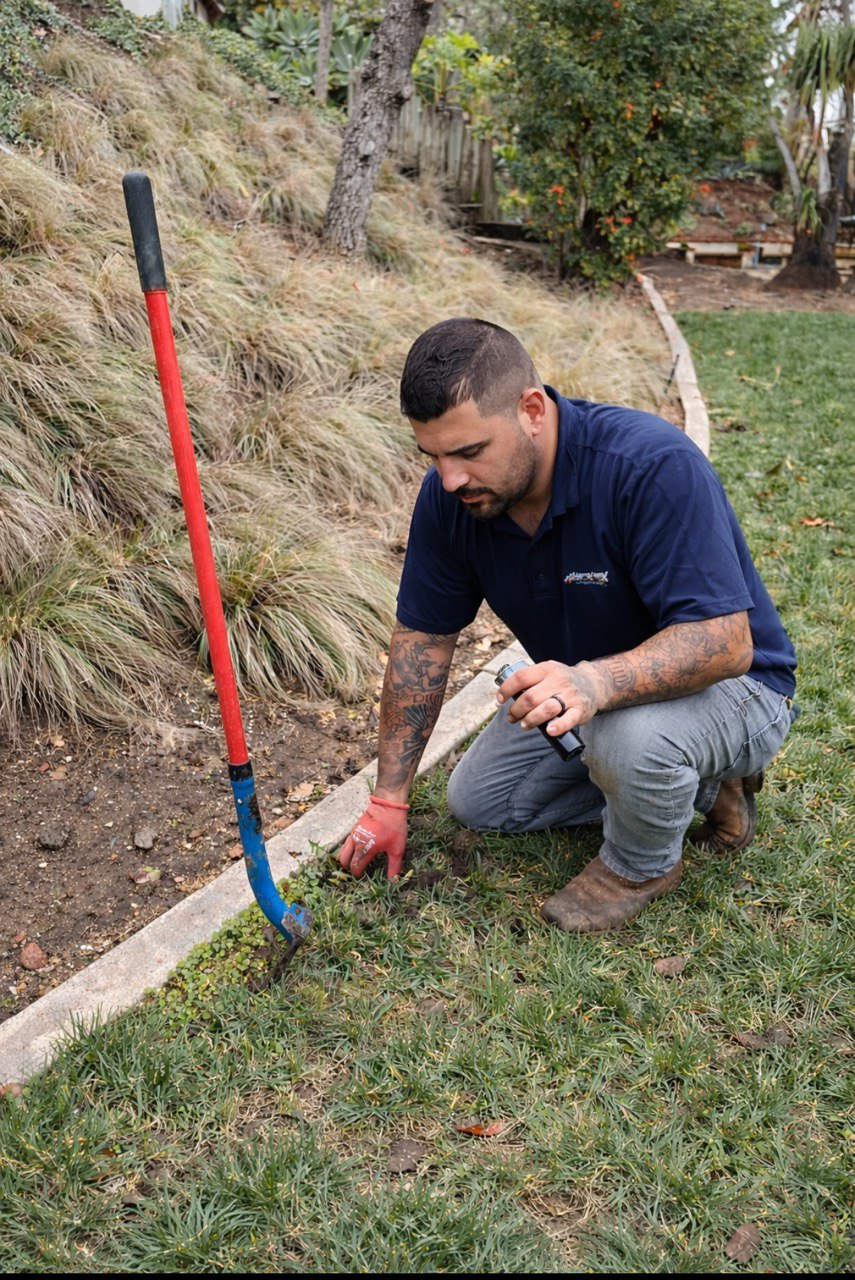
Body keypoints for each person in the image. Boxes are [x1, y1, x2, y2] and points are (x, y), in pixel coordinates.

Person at [337, 318, 798, 932]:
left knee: (631, 741)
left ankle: (640, 865)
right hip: (594, 694)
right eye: (434, 456)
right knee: (480, 802)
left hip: (739, 690)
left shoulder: (648, 465)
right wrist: (388, 798)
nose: (450, 479)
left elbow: (726, 643)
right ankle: (711, 785)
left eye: (469, 452)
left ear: (532, 409)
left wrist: (593, 685)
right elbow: (422, 643)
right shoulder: (454, 499)